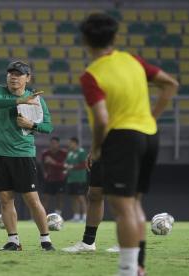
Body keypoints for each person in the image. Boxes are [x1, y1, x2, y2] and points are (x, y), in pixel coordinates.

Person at [62, 13, 178, 276]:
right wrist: (151, 117)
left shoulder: (91, 75)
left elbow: (102, 119)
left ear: (84, 41)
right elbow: (170, 84)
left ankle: (127, 270)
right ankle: (137, 267)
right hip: (149, 135)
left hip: (122, 139)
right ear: (115, 38)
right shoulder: (133, 60)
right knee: (134, 205)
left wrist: (96, 147)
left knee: (123, 207)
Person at [0, 60, 55, 251]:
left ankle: (46, 240)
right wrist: (21, 101)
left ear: (28, 78)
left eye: (19, 74)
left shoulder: (38, 100)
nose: (13, 77)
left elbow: (48, 127)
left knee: (32, 200)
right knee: (5, 199)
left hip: (23, 155)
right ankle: (13, 241)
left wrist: (32, 125)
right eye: (11, 74)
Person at [40, 137, 67, 215]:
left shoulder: (64, 153)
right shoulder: (45, 153)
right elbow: (42, 165)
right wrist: (44, 172)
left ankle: (58, 215)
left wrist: (53, 162)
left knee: (60, 198)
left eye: (55, 143)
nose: (53, 145)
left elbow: (65, 166)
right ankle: (42, 215)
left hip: (60, 178)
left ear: (58, 144)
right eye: (52, 143)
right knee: (45, 197)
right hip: (49, 178)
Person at [64, 137, 87, 222]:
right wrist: (66, 167)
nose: (69, 144)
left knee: (81, 197)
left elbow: (84, 164)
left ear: (75, 143)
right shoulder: (70, 153)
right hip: (71, 178)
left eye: (70, 143)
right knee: (73, 197)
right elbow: (67, 163)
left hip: (79, 178)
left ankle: (84, 216)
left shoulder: (81, 152)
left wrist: (72, 167)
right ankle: (76, 216)